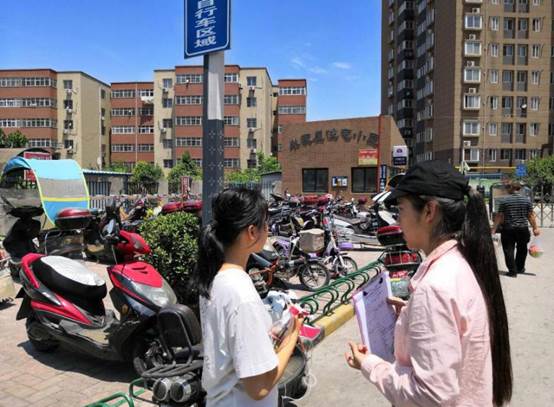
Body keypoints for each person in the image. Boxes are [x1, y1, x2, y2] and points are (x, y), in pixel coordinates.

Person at [345, 160, 512, 407]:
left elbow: (429, 396)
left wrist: (370, 364)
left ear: (429, 211)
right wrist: (411, 315)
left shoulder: (435, 287)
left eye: (401, 210)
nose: (397, 221)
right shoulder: (460, 262)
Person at [194, 188, 302, 407]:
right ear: (252, 232)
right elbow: (259, 387)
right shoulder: (241, 294)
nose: (268, 230)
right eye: (265, 224)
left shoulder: (215, 279)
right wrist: (293, 334)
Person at [491, 180, 540, 277]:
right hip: (523, 229)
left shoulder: (504, 201)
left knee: (508, 250)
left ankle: (512, 271)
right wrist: (535, 228)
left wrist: (494, 229)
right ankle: (519, 268)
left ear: (511, 188)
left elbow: (499, 216)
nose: (507, 190)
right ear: (519, 189)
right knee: (522, 249)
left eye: (508, 188)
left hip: (508, 229)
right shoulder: (526, 200)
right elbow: (530, 215)